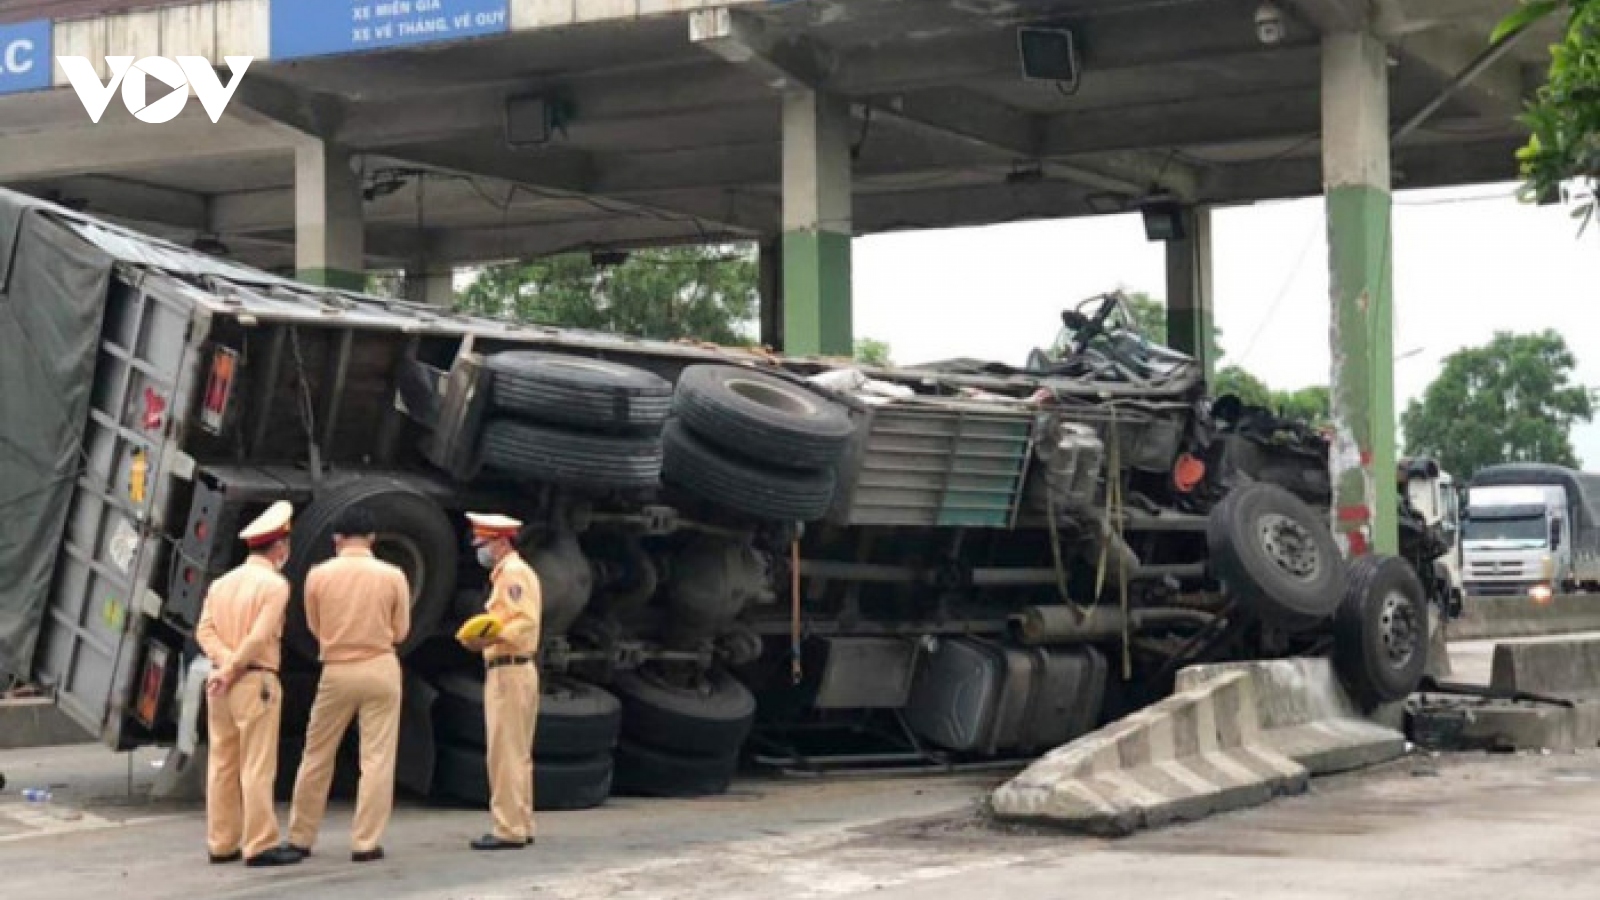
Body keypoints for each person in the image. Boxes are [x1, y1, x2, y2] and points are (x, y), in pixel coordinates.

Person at [284, 507, 411, 864]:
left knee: (317, 753)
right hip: (380, 667)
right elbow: (401, 631)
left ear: (336, 538)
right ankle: (365, 842)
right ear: (372, 538)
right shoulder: (393, 575)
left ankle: (300, 837)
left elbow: (314, 626)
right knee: (377, 758)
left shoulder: (317, 576)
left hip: (337, 669)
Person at [194, 501, 302, 868]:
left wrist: (224, 666)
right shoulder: (275, 585)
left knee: (222, 762)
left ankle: (221, 842)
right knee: (257, 765)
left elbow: (204, 630)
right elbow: (259, 636)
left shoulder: (221, 584)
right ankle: (260, 843)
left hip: (219, 684)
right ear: (280, 546)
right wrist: (236, 668)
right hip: (255, 679)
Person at [461, 512, 543, 851]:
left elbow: (523, 620)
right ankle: (520, 822)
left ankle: (507, 829)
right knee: (518, 752)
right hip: (517, 670)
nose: (481, 550)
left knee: (505, 753)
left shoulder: (512, 574)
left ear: (501, 541)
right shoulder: (512, 573)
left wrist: (488, 638)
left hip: (508, 670)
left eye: (484, 543)